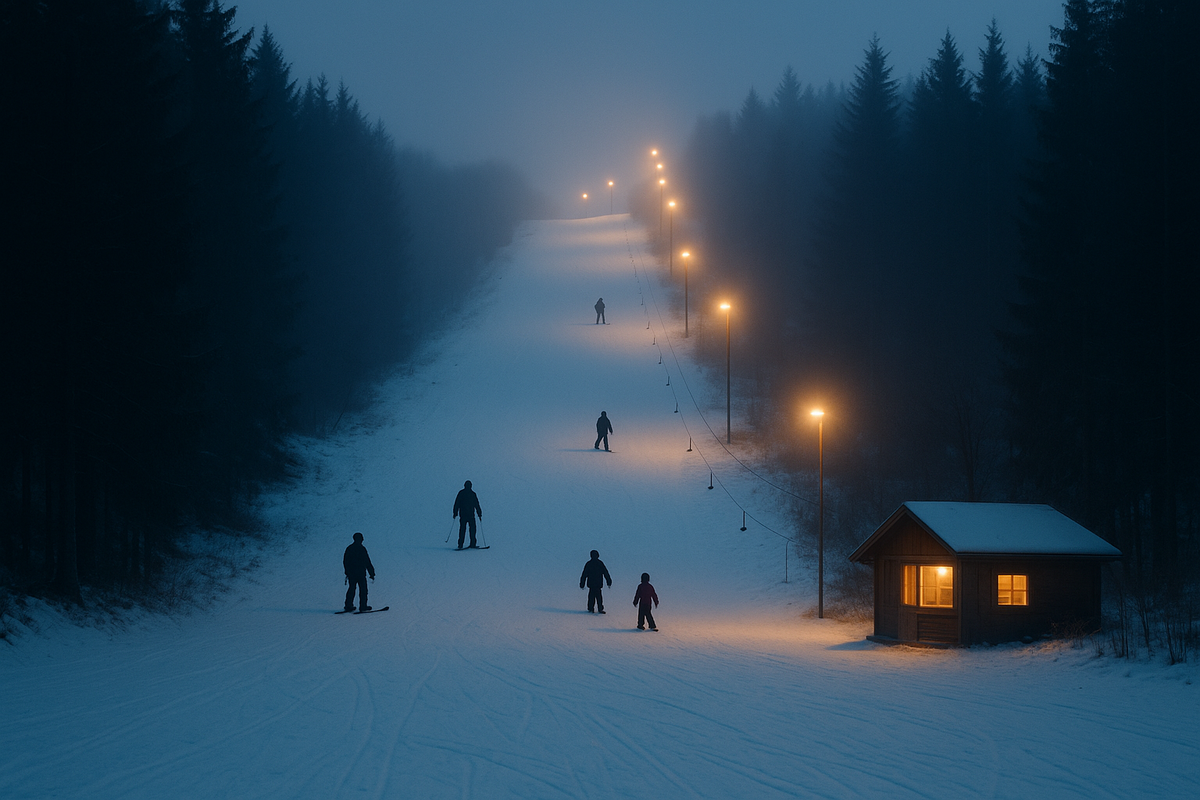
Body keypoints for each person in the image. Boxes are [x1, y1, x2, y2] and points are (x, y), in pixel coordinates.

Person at [343, 532, 375, 612]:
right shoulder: (362, 549)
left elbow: (345, 561)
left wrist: (347, 571)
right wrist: (371, 573)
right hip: (360, 573)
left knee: (352, 589)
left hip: (352, 574)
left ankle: (348, 605)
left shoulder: (350, 548)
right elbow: (367, 561)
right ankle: (362, 606)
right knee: (363, 590)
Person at [453, 480, 483, 549]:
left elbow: (457, 504)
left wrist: (455, 513)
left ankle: (461, 544)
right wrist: (479, 513)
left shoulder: (462, 493)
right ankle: (472, 544)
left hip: (464, 515)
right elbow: (477, 504)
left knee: (463, 529)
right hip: (470, 515)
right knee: (472, 529)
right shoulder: (472, 494)